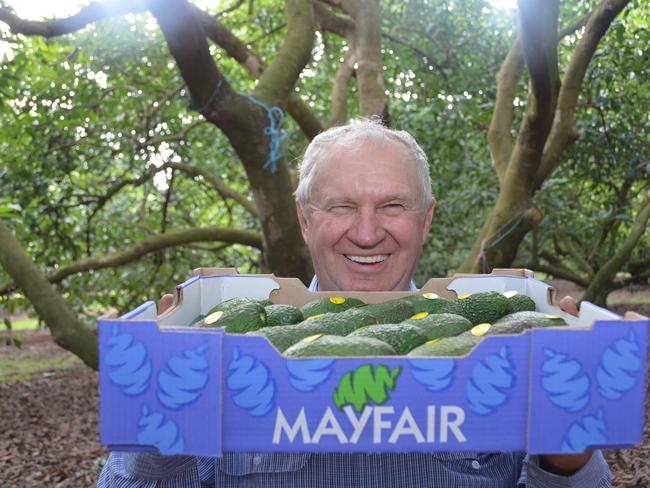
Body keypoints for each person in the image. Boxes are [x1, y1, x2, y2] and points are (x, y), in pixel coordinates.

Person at [98, 118, 609, 487]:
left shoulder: (518, 349)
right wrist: (157, 409)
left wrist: (563, 453)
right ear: (304, 219)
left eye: (393, 205)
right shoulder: (220, 347)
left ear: (425, 219)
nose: (367, 233)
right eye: (342, 206)